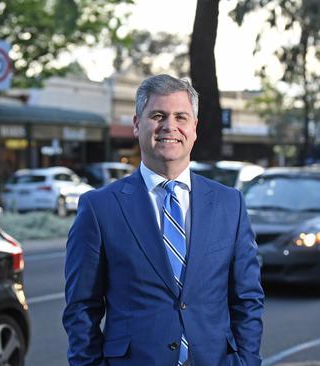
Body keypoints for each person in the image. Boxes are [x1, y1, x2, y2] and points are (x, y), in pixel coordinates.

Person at [63, 74, 264, 366]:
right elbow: (81, 308)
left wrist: (246, 362)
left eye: (181, 117)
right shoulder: (99, 208)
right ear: (136, 124)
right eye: (158, 115)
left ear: (194, 128)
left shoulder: (229, 204)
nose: (170, 126)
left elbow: (247, 299)